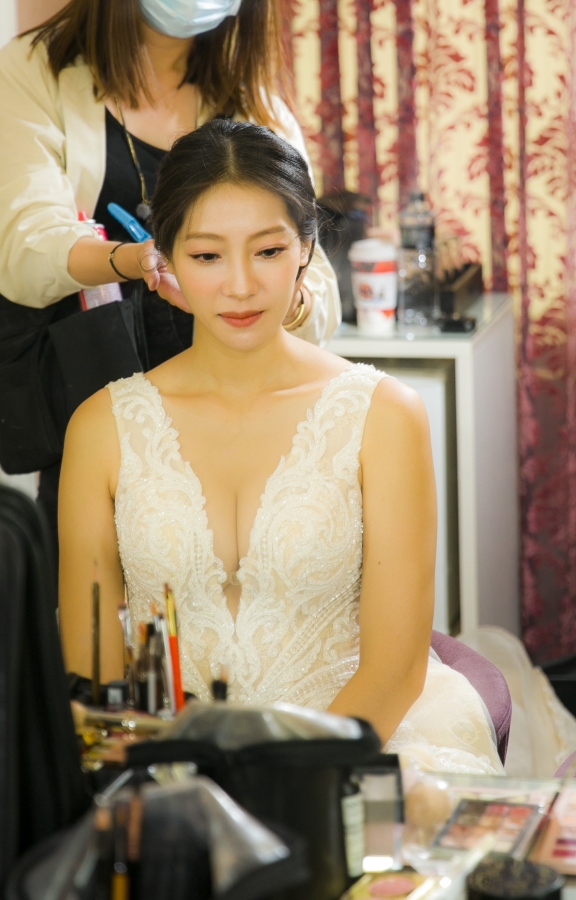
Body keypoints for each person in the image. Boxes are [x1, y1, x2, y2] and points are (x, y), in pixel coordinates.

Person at [59, 119, 502, 774]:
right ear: (165, 259)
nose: (240, 285)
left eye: (267, 251)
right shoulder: (101, 428)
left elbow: (394, 671)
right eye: (207, 256)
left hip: (353, 750)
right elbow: (93, 674)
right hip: (169, 768)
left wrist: (287, 788)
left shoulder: (384, 416)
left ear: (305, 250)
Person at [0, 0, 340, 565]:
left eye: (267, 250)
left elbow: (318, 286)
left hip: (243, 425)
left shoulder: (254, 101)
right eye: (206, 256)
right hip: (96, 400)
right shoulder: (34, 72)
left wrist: (284, 297)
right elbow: (24, 249)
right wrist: (132, 260)